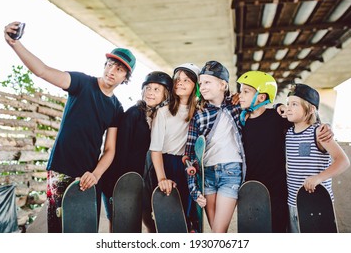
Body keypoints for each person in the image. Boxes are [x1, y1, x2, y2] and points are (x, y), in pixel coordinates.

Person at [4, 21, 136, 233]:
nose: (112, 71)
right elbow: (43, 71)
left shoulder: (116, 108)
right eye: (110, 64)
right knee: (59, 229)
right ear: (105, 65)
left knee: (85, 231)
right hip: (61, 168)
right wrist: (14, 44)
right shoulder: (81, 83)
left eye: (119, 69)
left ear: (125, 77)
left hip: (87, 175)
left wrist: (96, 174)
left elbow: (110, 149)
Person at [237, 71, 333, 233]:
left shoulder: (278, 117)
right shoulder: (240, 120)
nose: (240, 95)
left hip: (278, 191)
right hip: (250, 189)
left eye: (246, 91)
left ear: (261, 97)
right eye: (240, 91)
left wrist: (326, 126)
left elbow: (305, 123)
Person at [99, 71, 173, 233]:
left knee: (148, 221)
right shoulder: (134, 114)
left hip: (142, 180)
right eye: (148, 88)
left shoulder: (160, 117)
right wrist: (119, 187)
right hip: (120, 181)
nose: (150, 92)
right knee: (120, 226)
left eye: (156, 89)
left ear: (166, 95)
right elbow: (121, 151)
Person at [184, 61, 245, 233]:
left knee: (218, 232)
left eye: (207, 82)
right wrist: (194, 189)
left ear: (223, 84)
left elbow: (261, 110)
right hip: (207, 175)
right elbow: (189, 156)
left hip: (231, 172)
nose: (202, 87)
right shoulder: (199, 114)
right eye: (201, 83)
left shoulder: (237, 106)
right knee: (217, 232)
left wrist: (280, 108)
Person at [285, 83, 350, 233]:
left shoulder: (319, 132)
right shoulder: (288, 133)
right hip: (293, 203)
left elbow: (343, 161)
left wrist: (319, 178)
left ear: (311, 109)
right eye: (288, 104)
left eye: (294, 104)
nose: (288, 108)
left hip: (318, 204)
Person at [149, 63, 200, 230]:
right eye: (177, 79)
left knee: (191, 219)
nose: (180, 82)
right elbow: (155, 149)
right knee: (170, 216)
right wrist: (162, 178)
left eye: (186, 80)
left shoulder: (199, 110)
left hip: (189, 166)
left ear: (195, 86)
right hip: (166, 163)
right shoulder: (163, 112)